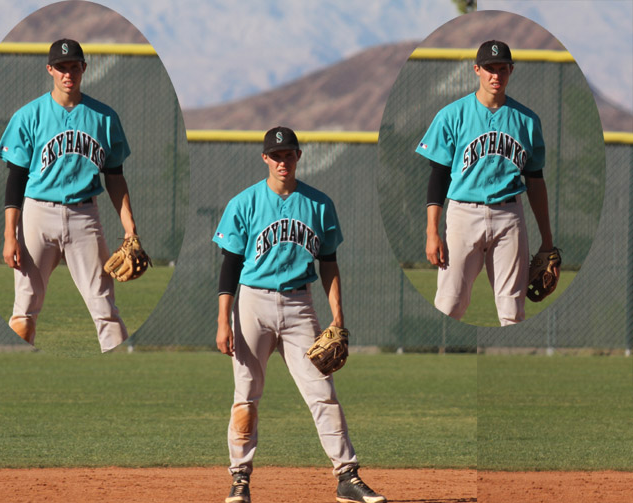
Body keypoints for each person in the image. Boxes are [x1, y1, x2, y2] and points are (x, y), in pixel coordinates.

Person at [213, 127, 386, 503]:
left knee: (323, 393)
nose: (282, 162)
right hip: (253, 304)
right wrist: (223, 319)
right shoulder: (244, 203)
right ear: (265, 158)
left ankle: (347, 476)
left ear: (298, 157)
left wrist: (337, 317)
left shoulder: (319, 204)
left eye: (288, 154)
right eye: (276, 156)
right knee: (246, 396)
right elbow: (230, 266)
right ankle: (240, 479)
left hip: (299, 305)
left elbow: (329, 262)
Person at [0, 39, 139, 352]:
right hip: (37, 214)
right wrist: (10, 235)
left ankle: (119, 375)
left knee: (105, 309)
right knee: (24, 310)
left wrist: (130, 229)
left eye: (74, 66)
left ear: (84, 68)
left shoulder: (104, 117)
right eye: (61, 67)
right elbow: (16, 179)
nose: (68, 73)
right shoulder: (29, 116)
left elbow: (115, 177)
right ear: (50, 69)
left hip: (84, 215)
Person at [416, 40, 558, 326]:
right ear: (477, 70)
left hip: (509, 216)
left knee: (512, 310)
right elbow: (438, 176)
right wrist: (432, 231)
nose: (496, 75)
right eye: (490, 69)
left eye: (502, 69)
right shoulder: (452, 115)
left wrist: (547, 241)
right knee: (449, 303)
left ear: (511, 70)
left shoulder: (527, 120)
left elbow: (535, 181)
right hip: (463, 214)